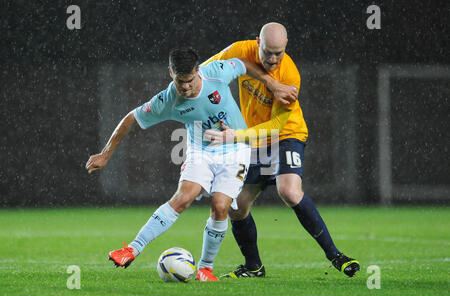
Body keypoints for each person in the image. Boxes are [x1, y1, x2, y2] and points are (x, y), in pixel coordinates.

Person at [85, 47, 292, 281]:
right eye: (179, 81)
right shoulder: (167, 100)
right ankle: (132, 248)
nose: (184, 87)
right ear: (170, 72)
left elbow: (244, 64)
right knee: (183, 198)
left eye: (190, 80)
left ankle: (205, 268)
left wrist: (273, 85)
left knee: (221, 206)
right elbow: (131, 118)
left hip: (235, 150)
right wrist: (105, 153)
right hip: (200, 152)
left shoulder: (216, 71)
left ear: (198, 71)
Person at [203, 22, 360, 278]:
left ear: (286, 48)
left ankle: (335, 255)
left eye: (279, 52)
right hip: (252, 137)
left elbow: (276, 127)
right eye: (268, 52)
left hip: (286, 134)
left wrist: (234, 136)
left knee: (288, 190)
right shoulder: (239, 50)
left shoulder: (290, 76)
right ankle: (254, 267)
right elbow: (206, 71)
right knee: (235, 206)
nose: (273, 59)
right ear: (257, 43)